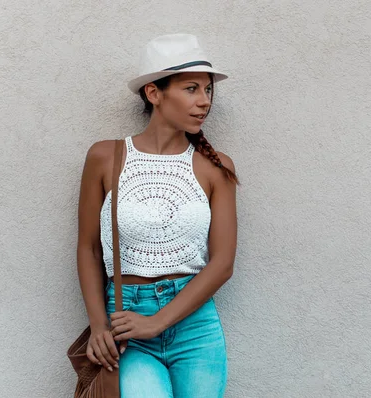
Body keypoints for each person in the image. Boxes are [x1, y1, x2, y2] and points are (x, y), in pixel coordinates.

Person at [76, 33, 239, 397]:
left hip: (195, 327)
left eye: (208, 91)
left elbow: (223, 262)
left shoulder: (216, 167)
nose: (204, 102)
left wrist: (158, 322)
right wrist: (99, 323)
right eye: (191, 89)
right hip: (126, 324)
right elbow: (88, 248)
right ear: (154, 93)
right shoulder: (106, 157)